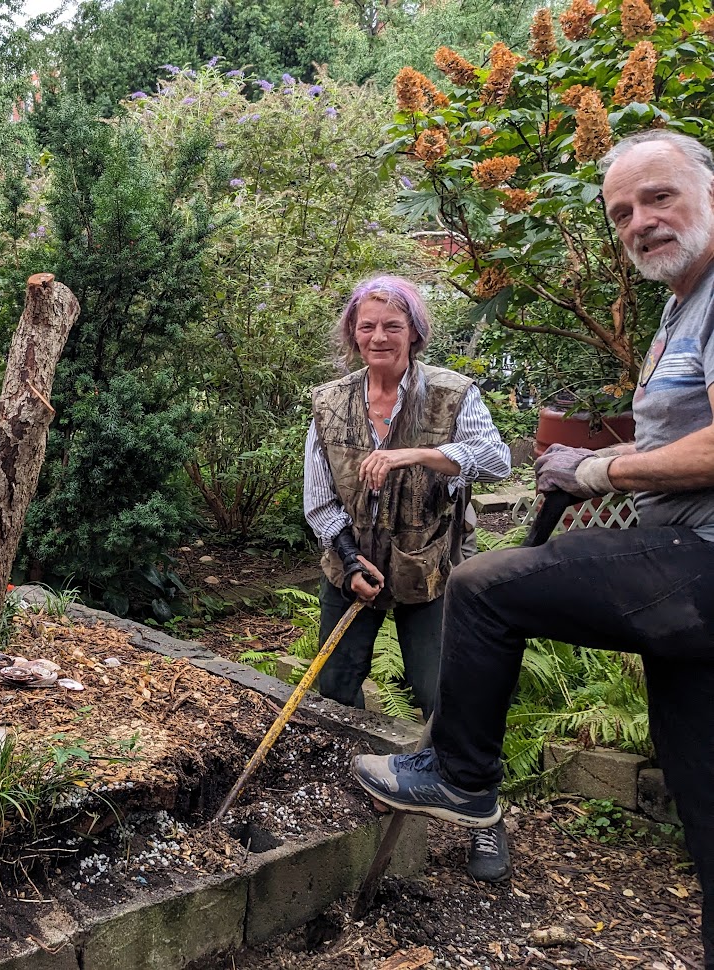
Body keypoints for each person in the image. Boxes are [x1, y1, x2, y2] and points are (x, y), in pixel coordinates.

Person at [352, 129, 714, 968]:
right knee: (704, 797)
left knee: (484, 588)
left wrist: (597, 467)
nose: (639, 222)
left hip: (702, 561)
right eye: (621, 212)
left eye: (657, 197)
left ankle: (462, 778)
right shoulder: (680, 305)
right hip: (682, 569)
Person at [304, 275, 512, 879]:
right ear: (352, 333)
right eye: (366, 325)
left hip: (431, 572)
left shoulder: (452, 394)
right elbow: (319, 500)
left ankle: (484, 818)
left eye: (392, 325)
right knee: (335, 685)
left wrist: (416, 453)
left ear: (415, 333)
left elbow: (496, 459)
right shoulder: (328, 402)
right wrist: (347, 561)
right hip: (355, 569)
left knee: (444, 695)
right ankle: (330, 798)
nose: (378, 337)